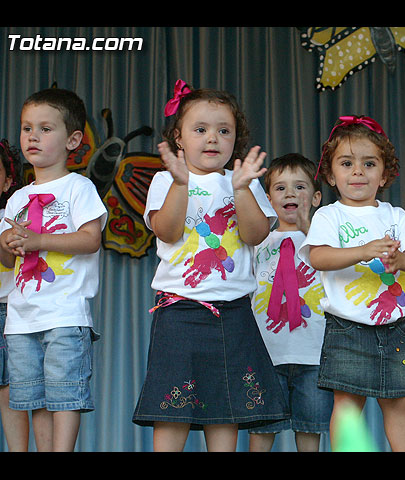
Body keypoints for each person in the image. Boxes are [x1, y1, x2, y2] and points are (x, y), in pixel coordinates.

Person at [132, 80, 288, 452]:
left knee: (226, 407)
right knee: (171, 409)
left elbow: (255, 235)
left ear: (236, 140)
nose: (212, 138)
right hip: (179, 312)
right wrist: (181, 184)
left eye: (224, 131)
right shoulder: (165, 180)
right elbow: (166, 230)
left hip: (233, 313)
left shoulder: (243, 183)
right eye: (200, 129)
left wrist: (241, 189)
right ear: (179, 137)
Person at [298, 115, 405, 452]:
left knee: (397, 403)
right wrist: (362, 251)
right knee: (347, 405)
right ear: (331, 175)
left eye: (369, 164)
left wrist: (400, 261)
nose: (358, 171)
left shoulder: (396, 216)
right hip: (347, 327)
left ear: (384, 174)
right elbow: (318, 257)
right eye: (347, 163)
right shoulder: (329, 215)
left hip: (394, 328)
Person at [0, 88, 107, 451]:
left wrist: (38, 240)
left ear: (72, 140)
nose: (33, 136)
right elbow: (7, 262)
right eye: (26, 128)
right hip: (21, 317)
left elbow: (90, 239)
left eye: (45, 129)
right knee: (35, 399)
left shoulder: (79, 187)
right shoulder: (16, 198)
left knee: (65, 396)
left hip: (64, 312)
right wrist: (7, 243)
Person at [248, 153, 333, 452]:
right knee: (261, 430)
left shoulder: (326, 243)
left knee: (310, 431)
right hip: (265, 353)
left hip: (314, 354)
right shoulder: (256, 242)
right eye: (281, 188)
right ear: (268, 199)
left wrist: (310, 229)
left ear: (316, 197)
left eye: (300, 187)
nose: (290, 194)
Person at [0, 139, 29, 451]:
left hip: (5, 311)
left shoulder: (9, 218)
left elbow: (9, 260)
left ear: (8, 181)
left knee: (9, 389)